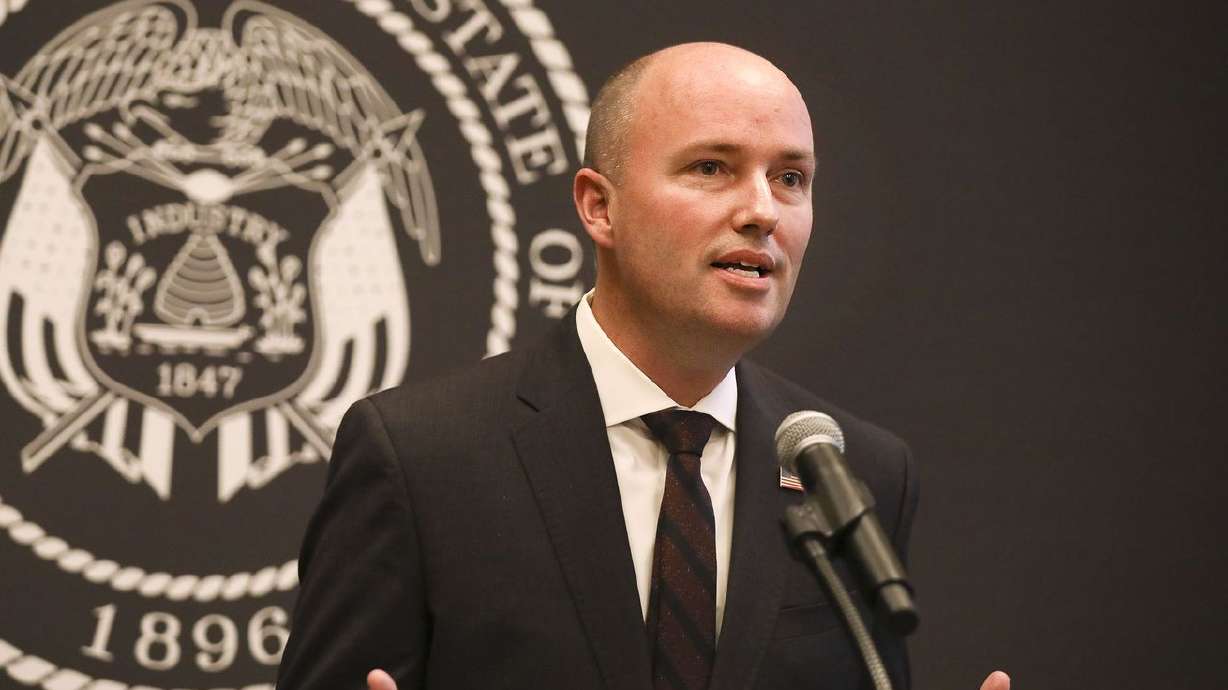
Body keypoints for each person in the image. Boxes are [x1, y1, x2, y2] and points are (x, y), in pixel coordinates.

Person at [276, 42, 1010, 690]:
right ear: (599, 207)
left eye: (791, 179)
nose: (763, 211)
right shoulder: (422, 456)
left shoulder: (857, 473)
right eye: (712, 167)